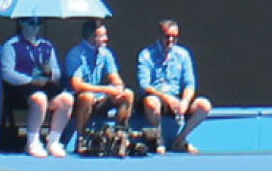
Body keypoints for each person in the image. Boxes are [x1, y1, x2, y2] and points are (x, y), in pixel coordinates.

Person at [135, 14, 211, 153]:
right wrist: (166, 97)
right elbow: (144, 85)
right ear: (160, 36)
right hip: (158, 98)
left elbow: (189, 84)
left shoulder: (183, 55)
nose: (170, 40)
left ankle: (180, 140)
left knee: (204, 105)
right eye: (167, 36)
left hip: (177, 100)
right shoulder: (146, 55)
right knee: (151, 102)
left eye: (174, 37)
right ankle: (159, 140)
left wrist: (185, 102)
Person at [0, 13, 70, 153]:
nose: (35, 27)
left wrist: (49, 73)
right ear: (22, 23)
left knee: (66, 99)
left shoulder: (47, 46)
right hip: (21, 89)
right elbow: (7, 73)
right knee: (39, 99)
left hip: (44, 85)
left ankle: (53, 141)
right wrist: (31, 81)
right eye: (31, 23)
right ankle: (32, 142)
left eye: (38, 23)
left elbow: (57, 71)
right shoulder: (12, 45)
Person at [64, 18, 131, 148]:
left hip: (100, 97)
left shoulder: (106, 53)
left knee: (127, 94)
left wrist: (118, 88)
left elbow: (115, 77)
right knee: (87, 97)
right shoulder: (76, 54)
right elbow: (77, 85)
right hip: (79, 97)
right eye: (102, 36)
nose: (106, 39)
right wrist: (106, 90)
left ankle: (119, 135)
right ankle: (81, 138)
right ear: (92, 37)